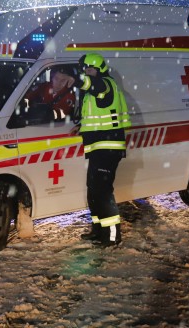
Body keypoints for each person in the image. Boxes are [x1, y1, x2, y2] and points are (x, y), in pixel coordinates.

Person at [64, 53, 131, 247]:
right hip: (99, 148)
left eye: (89, 69)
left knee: (103, 193)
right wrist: (80, 126)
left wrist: (76, 79)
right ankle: (98, 230)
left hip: (108, 149)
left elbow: (94, 86)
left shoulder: (106, 84)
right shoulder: (95, 90)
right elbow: (97, 115)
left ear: (99, 69)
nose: (86, 72)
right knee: (94, 191)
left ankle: (111, 237)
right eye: (84, 69)